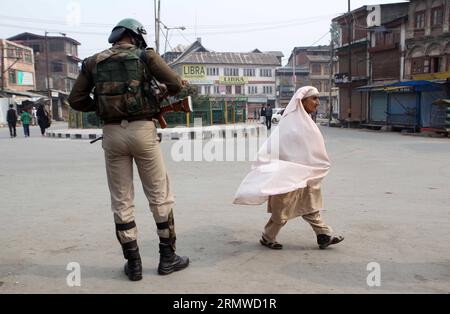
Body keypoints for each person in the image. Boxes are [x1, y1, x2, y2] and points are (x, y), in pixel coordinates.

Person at [68, 18, 189, 281]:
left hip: (112, 134)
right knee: (159, 195)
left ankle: (133, 264)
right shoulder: (146, 56)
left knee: (122, 199)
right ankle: (168, 259)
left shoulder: (92, 61)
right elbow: (178, 86)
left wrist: (102, 107)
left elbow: (76, 100)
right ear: (135, 37)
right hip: (142, 132)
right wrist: (160, 93)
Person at [234, 86, 344, 250]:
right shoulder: (291, 124)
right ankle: (268, 237)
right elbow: (279, 149)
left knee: (311, 206)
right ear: (302, 101)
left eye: (317, 98)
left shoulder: (306, 121)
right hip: (287, 176)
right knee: (282, 211)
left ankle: (323, 235)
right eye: (314, 98)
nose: (317, 102)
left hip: (305, 175)